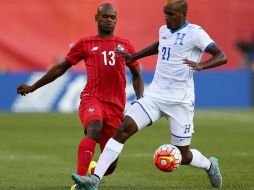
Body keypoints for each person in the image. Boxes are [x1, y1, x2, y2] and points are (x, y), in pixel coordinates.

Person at [71, 0, 227, 189]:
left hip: (180, 102)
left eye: (170, 14)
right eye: (165, 13)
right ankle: (94, 180)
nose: (166, 18)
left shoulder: (196, 33)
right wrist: (134, 57)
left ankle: (209, 165)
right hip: (155, 97)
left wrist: (202, 65)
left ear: (182, 15)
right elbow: (159, 45)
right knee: (122, 130)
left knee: (182, 155)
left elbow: (221, 55)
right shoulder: (164, 29)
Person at [16, 3, 144, 190]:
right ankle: (81, 181)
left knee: (111, 165)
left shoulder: (125, 45)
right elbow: (61, 68)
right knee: (94, 127)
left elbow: (137, 75)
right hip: (92, 99)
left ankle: (95, 170)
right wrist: (34, 86)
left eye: (113, 17)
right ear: (96, 18)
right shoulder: (85, 44)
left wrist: (140, 100)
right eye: (105, 16)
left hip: (116, 106)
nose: (109, 20)